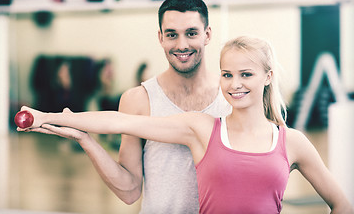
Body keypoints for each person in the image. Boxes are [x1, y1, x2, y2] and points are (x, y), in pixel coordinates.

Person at [18, 35, 354, 213]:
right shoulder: (202, 128)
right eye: (227, 75)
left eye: (246, 74)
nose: (235, 84)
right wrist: (51, 117)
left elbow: (342, 204)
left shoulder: (291, 142)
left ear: (267, 77)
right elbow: (122, 121)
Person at [24, 0, 232, 213]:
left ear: (207, 35)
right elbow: (130, 190)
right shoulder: (138, 100)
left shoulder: (232, 96)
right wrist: (85, 139)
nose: (182, 45)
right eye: (172, 35)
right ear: (160, 37)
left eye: (191, 33)